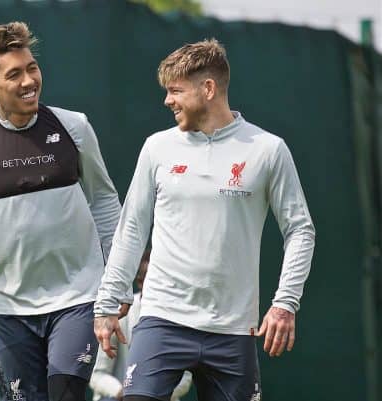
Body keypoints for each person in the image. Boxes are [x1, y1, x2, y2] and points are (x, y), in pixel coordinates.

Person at [94, 39, 316, 401]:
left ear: (209, 89)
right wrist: (108, 302)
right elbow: (132, 228)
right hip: (161, 319)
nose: (168, 101)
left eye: (176, 91)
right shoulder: (156, 147)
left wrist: (284, 303)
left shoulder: (268, 149)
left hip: (233, 330)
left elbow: (300, 230)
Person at [0, 22, 121, 401]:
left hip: (77, 297)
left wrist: (116, 282)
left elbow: (104, 203)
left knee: (66, 392)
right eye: (14, 74)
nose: (29, 80)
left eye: (32, 68)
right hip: (9, 306)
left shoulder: (73, 126)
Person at [90, 250, 193, 401]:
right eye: (155, 280)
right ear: (140, 281)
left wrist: (154, 393)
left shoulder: (179, 316)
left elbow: (186, 377)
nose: (161, 286)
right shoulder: (120, 315)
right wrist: (122, 393)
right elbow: (97, 375)